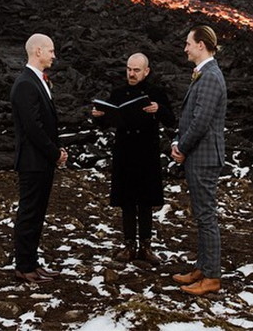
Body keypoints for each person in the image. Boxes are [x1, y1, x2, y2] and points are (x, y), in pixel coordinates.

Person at [91, 53, 175, 264]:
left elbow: (171, 119)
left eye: (136, 70)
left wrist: (159, 109)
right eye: (129, 69)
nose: (131, 73)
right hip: (125, 152)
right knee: (127, 201)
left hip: (147, 152)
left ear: (146, 71)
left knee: (145, 201)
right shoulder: (119, 93)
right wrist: (98, 116)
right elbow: (107, 121)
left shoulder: (155, 93)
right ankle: (129, 245)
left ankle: (146, 246)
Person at [170, 25, 227, 296]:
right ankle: (202, 268)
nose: (185, 48)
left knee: (206, 216)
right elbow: (192, 117)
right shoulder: (204, 74)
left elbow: (201, 120)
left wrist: (181, 146)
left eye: (188, 43)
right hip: (198, 155)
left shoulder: (210, 76)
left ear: (201, 44)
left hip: (203, 157)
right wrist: (177, 142)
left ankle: (212, 276)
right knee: (202, 214)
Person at [10, 33, 68, 284]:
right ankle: (24, 265)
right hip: (33, 162)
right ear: (37, 52)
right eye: (51, 51)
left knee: (37, 212)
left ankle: (31, 262)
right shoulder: (25, 84)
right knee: (29, 212)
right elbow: (33, 128)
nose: (54, 56)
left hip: (41, 161)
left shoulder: (37, 81)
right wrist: (55, 153)